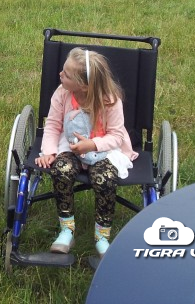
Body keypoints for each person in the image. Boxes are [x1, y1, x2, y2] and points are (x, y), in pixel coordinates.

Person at [35, 48, 137, 258]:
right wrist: (49, 151)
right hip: (70, 145)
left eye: (66, 74)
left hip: (104, 148)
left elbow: (116, 136)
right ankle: (67, 230)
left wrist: (92, 144)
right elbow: (53, 124)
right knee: (61, 170)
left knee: (105, 178)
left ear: (84, 85)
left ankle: (102, 236)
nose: (60, 74)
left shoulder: (110, 100)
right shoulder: (62, 93)